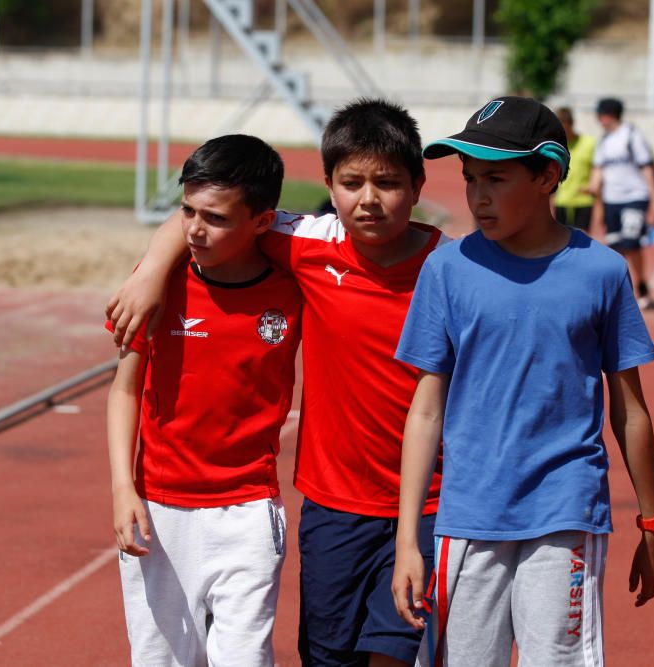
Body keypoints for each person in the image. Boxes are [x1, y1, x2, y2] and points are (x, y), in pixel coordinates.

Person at [105, 99, 447, 667]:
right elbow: (206, 212)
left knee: (399, 651)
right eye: (351, 182)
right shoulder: (306, 242)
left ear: (416, 185)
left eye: (387, 183)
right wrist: (149, 272)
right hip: (333, 503)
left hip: (432, 500)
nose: (368, 198)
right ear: (330, 186)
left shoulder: (451, 266)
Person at [391, 96, 654, 666]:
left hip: (565, 508)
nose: (477, 196)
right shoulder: (447, 270)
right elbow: (425, 411)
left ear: (548, 175)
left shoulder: (602, 271)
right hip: (468, 514)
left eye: (496, 178)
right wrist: (406, 541)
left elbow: (630, 411)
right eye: (469, 179)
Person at [106, 134, 301, 666]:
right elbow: (124, 389)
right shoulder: (156, 285)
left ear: (263, 221)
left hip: (247, 512)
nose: (194, 228)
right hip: (159, 513)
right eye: (187, 211)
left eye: (214, 218)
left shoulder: (293, 286)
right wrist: (124, 488)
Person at [589, 97, 654, 308]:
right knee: (615, 248)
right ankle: (621, 290)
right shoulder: (602, 141)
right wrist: (595, 196)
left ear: (608, 115)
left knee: (631, 243)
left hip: (635, 196)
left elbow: (647, 167)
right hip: (612, 199)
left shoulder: (632, 135)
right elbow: (598, 172)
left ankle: (642, 284)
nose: (597, 119)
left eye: (599, 115)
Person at [554, 106, 597, 232]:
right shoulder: (557, 146)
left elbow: (597, 168)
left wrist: (593, 186)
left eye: (566, 129)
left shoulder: (589, 143)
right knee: (561, 240)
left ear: (572, 124)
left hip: (583, 200)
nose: (563, 133)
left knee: (582, 240)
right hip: (562, 201)